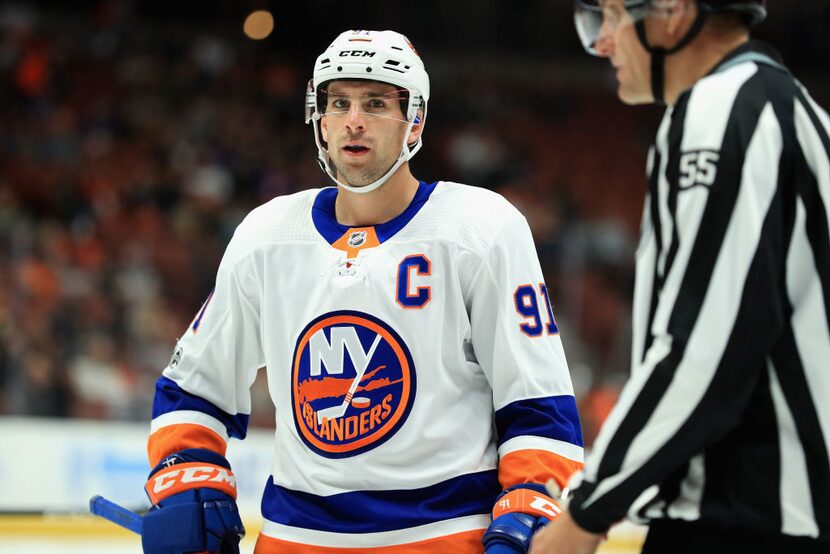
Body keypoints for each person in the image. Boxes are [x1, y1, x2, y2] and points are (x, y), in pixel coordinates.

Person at [141, 30, 584, 554]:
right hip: (295, 538)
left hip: (441, 535)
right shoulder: (267, 236)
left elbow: (538, 404)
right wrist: (189, 481)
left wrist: (529, 510)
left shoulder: (480, 231)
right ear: (320, 119)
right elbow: (192, 388)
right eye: (339, 102)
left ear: (414, 119)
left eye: (375, 103)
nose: (354, 120)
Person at [530, 1, 830, 553]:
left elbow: (704, 350)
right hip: (788, 510)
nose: (602, 42)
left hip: (739, 519)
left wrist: (587, 509)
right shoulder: (798, 112)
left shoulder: (718, 110)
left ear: (672, 11)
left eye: (614, 16)